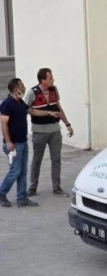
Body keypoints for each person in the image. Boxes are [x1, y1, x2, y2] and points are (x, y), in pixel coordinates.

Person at [0, 78, 55, 207]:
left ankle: (22, 198)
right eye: (22, 86)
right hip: (13, 144)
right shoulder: (7, 104)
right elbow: (3, 124)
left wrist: (48, 112)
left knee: (23, 172)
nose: (24, 87)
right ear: (16, 88)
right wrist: (9, 142)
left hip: (23, 142)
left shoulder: (20, 102)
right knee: (15, 171)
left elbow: (32, 111)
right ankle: (1, 193)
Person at [24, 68, 73, 197]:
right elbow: (27, 109)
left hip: (55, 131)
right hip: (39, 131)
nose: (53, 80)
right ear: (42, 80)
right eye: (50, 78)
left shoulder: (54, 90)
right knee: (37, 160)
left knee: (56, 160)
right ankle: (32, 187)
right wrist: (47, 113)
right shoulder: (32, 92)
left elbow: (58, 107)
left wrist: (67, 124)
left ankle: (57, 187)